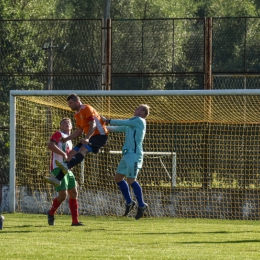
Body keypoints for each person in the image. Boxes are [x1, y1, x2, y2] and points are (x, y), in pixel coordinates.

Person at [44, 93, 108, 186]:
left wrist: (87, 138)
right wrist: (66, 139)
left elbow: (93, 125)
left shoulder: (86, 108)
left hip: (100, 136)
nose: (69, 105)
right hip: (91, 137)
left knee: (83, 149)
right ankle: (58, 179)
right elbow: (79, 131)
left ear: (77, 102)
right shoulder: (76, 115)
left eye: (70, 103)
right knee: (72, 153)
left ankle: (67, 167)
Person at [101, 104, 150, 220]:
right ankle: (129, 202)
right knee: (118, 178)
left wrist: (107, 120)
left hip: (134, 155)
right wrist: (98, 127)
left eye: (138, 108)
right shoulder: (130, 125)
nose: (135, 109)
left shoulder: (139, 120)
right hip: (127, 154)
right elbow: (115, 128)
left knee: (131, 180)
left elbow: (121, 122)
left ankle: (142, 205)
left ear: (143, 113)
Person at [45, 118, 83, 226]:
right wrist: (63, 154)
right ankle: (51, 212)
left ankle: (75, 221)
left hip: (67, 169)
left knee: (74, 192)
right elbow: (51, 145)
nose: (67, 123)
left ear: (72, 127)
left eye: (69, 122)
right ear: (61, 126)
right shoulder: (58, 134)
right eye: (64, 122)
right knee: (63, 195)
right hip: (58, 168)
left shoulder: (69, 140)